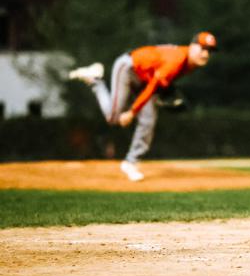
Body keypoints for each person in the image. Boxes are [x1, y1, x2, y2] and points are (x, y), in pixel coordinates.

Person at [68, 31, 217, 181]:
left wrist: (161, 92)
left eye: (209, 51)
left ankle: (130, 162)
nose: (205, 54)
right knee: (113, 118)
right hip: (128, 67)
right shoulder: (177, 59)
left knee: (148, 120)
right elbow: (154, 85)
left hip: (144, 78)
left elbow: (158, 80)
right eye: (203, 48)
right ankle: (95, 81)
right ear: (192, 46)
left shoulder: (190, 64)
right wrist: (132, 112)